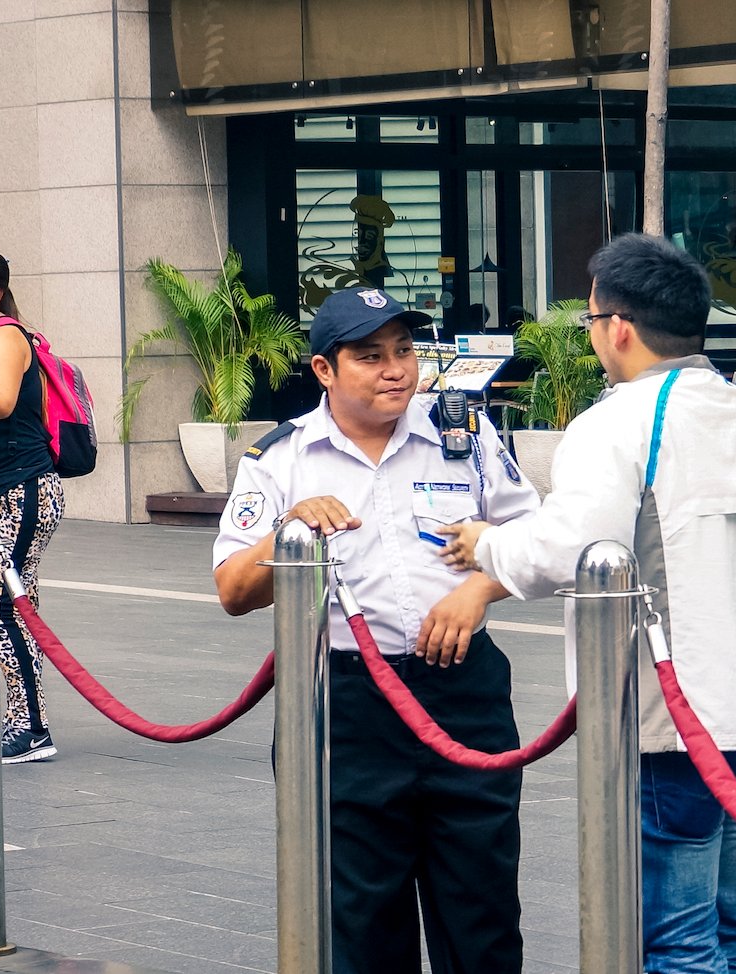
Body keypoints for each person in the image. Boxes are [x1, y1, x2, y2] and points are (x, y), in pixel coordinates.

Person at [437, 233, 736, 974]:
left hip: (672, 731)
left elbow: (569, 551)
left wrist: (483, 545)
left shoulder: (617, 422)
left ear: (618, 327)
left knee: (675, 943)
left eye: (589, 319)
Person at [212, 286, 539, 974]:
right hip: (349, 703)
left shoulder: (463, 435)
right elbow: (233, 591)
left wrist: (478, 590)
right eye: (370, 356)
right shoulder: (281, 459)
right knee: (362, 918)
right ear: (324, 370)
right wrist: (289, 530)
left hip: (460, 692)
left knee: (480, 910)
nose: (396, 370)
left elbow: (533, 537)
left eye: (403, 351)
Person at [0, 249, 64, 764]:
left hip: (23, 488)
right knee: (13, 604)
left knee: (9, 603)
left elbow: (1, 402)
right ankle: (24, 720)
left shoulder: (5, 335)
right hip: (8, 489)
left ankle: (30, 727)